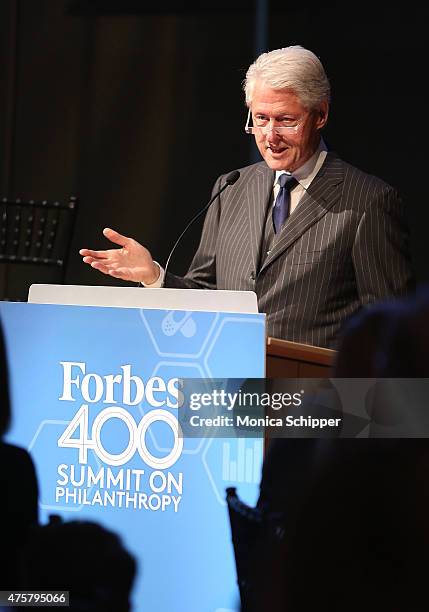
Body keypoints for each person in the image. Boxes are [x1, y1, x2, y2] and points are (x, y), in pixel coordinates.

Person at [80, 45, 414, 349]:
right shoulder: (232, 188)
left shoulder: (368, 201)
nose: (270, 136)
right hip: (227, 391)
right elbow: (206, 296)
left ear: (321, 115)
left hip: (317, 403)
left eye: (286, 120)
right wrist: (154, 276)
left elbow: (391, 328)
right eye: (260, 119)